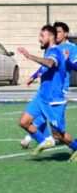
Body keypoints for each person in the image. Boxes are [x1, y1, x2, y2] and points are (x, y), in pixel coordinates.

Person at [18, 25, 77, 160]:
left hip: (53, 100)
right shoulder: (49, 50)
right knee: (24, 122)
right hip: (41, 97)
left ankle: (75, 147)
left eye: (42, 36)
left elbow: (49, 63)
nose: (40, 39)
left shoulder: (55, 51)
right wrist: (33, 77)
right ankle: (45, 140)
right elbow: (45, 67)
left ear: (51, 37)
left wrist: (29, 56)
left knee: (59, 135)